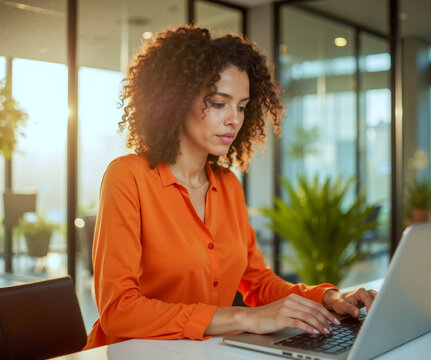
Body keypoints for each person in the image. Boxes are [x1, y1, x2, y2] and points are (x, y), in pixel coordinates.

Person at [85, 25, 377, 349]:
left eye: (241, 106)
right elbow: (119, 311)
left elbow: (258, 282)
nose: (234, 120)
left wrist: (329, 298)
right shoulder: (128, 176)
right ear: (177, 100)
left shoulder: (227, 186)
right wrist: (243, 317)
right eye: (219, 103)